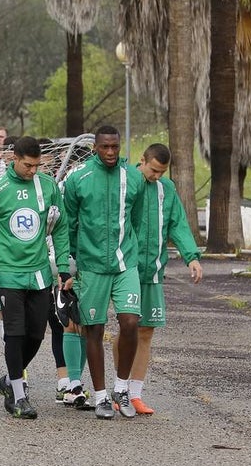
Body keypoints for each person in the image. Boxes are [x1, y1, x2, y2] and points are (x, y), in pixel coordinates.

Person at [0, 136, 71, 419]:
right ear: (14, 159)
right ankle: (18, 395)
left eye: (37, 166)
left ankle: (8, 381)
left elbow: (60, 226)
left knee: (36, 334)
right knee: (14, 334)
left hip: (39, 272)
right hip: (8, 273)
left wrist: (63, 265)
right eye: (28, 165)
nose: (32, 171)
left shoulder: (49, 186)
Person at [61, 125, 145, 419]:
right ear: (95, 147)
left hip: (125, 263)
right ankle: (100, 396)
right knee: (93, 328)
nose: (110, 153)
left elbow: (135, 218)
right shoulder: (79, 178)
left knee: (131, 321)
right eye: (105, 147)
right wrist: (71, 261)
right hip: (91, 265)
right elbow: (67, 223)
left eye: (115, 147)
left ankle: (121, 387)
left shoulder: (133, 177)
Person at [118, 143, 202, 414]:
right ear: (142, 161)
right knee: (127, 327)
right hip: (126, 268)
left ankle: (136, 394)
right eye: (153, 170)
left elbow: (177, 223)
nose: (156, 176)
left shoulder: (167, 189)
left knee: (146, 330)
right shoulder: (127, 182)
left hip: (153, 270)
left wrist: (192, 256)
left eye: (161, 172)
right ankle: (118, 387)